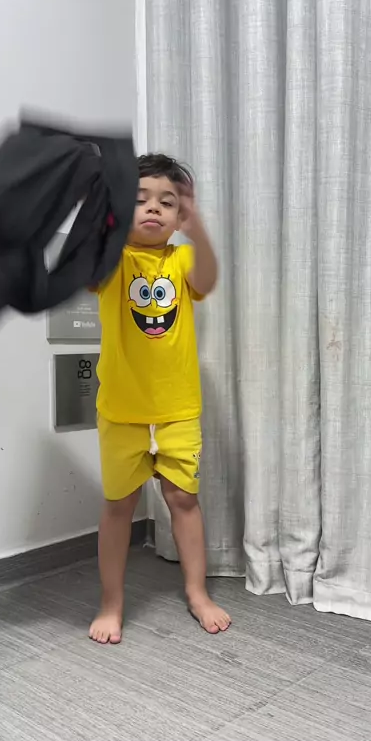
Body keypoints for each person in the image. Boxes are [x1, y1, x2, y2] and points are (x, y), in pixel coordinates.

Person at [89, 153, 231, 644]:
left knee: (183, 499)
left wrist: (199, 230)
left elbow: (207, 279)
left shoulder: (181, 258)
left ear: (178, 215)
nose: (154, 208)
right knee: (118, 506)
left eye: (167, 202)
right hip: (122, 412)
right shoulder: (114, 260)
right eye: (140, 199)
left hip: (177, 410)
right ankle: (111, 603)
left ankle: (197, 592)